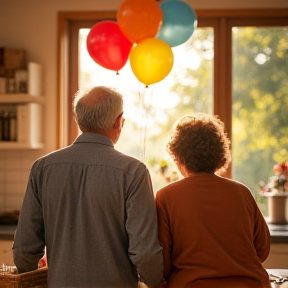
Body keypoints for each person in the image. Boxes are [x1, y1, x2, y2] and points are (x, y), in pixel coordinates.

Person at [13, 86, 164, 288]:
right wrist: (157, 282)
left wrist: (30, 279)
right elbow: (144, 253)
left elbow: (24, 249)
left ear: (77, 120)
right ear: (119, 122)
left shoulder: (42, 168)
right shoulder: (133, 172)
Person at [155, 113, 271, 288]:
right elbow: (262, 249)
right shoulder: (242, 192)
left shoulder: (166, 196)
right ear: (219, 153)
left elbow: (162, 262)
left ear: (178, 157)